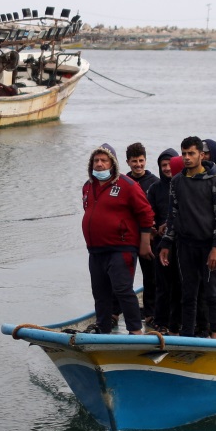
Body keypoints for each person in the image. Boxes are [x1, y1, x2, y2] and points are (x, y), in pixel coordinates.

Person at [159, 136, 216, 338]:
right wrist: (166, 243)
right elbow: (173, 215)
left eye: (191, 153)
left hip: (209, 245)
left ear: (201, 154)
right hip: (185, 245)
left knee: (213, 292)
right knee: (187, 293)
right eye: (184, 154)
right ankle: (187, 334)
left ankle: (214, 333)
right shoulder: (177, 181)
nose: (187, 158)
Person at [81, 143, 155, 334]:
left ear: (112, 163)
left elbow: (146, 212)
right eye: (96, 160)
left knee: (123, 291)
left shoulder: (128, 185)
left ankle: (135, 331)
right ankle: (103, 329)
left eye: (103, 160)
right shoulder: (88, 187)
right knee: (100, 293)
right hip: (96, 251)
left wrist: (144, 242)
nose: (99, 164)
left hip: (121, 248)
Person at [146, 148, 180, 332]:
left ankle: (177, 321)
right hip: (161, 243)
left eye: (170, 164)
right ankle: (161, 321)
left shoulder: (184, 185)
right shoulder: (155, 189)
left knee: (180, 284)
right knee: (162, 285)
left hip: (182, 243)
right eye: (163, 165)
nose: (167, 169)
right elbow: (148, 214)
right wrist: (153, 226)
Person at [125, 142, 159, 322]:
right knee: (124, 278)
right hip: (128, 238)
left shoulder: (154, 182)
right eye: (134, 161)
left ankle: (150, 312)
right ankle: (121, 310)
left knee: (151, 277)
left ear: (146, 160)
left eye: (141, 160)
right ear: (127, 162)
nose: (138, 165)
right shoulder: (123, 182)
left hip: (149, 239)